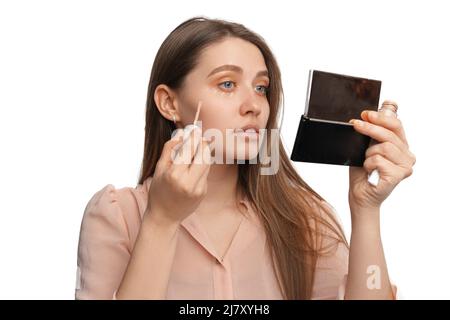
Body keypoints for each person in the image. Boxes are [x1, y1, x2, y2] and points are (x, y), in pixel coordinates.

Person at [75, 16, 415, 300]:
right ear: (169, 103)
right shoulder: (117, 216)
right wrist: (161, 221)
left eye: (261, 88)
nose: (253, 105)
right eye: (226, 84)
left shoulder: (304, 219)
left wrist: (366, 210)